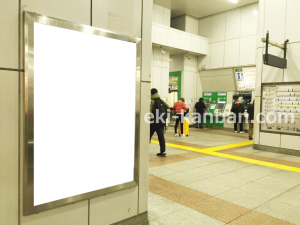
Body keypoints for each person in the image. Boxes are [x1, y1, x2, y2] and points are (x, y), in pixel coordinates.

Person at [150, 88, 170, 157]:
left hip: (153, 123)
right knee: (161, 137)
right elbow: (168, 108)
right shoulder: (161, 101)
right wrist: (164, 117)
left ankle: (144, 150)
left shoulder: (151, 101)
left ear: (151, 94)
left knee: (148, 137)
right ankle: (162, 151)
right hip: (161, 122)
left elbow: (149, 111)